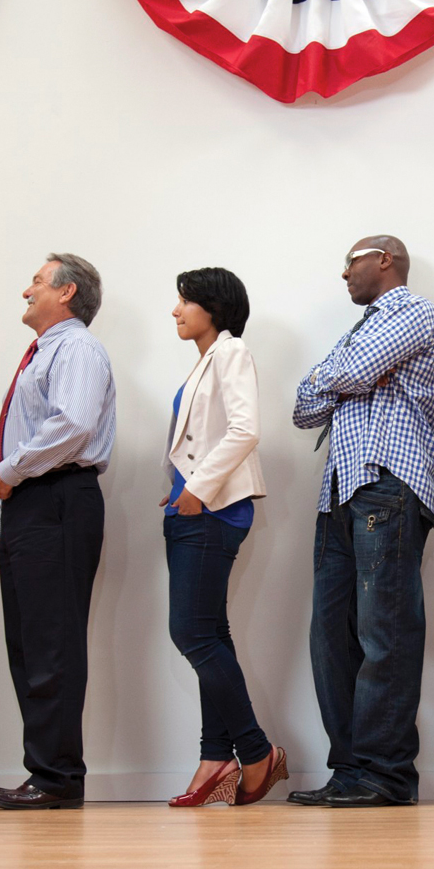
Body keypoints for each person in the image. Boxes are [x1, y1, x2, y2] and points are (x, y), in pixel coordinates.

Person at [289, 235, 434, 808]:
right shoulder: (361, 329)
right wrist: (346, 377)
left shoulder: (413, 311)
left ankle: (387, 774)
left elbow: (346, 373)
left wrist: (343, 376)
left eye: (349, 262)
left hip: (388, 482)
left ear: (384, 259)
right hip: (339, 490)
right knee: (330, 636)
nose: (343, 275)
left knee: (386, 633)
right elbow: (305, 407)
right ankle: (352, 770)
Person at [0, 255, 116, 810]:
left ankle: (58, 778)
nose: (25, 290)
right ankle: (47, 771)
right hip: (32, 504)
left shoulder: (77, 347)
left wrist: (9, 474)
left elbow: (73, 424)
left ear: (67, 292)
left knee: (51, 645)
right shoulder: (45, 353)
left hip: (59, 499)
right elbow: (27, 432)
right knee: (31, 646)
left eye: (36, 281)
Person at [160, 268, 289, 807]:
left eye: (185, 301)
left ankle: (257, 754)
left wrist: (198, 488)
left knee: (190, 633)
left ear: (213, 307)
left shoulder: (231, 352)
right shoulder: (205, 362)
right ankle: (216, 757)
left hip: (212, 511)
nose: (176, 311)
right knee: (210, 631)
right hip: (194, 509)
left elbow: (245, 429)